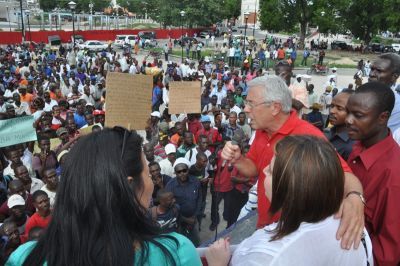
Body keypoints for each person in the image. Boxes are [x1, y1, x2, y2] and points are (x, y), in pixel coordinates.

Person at [7, 129, 201, 265]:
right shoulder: (176, 253)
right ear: (128, 185)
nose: (152, 183)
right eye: (148, 176)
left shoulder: (25, 257)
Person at [221, 75, 365, 250]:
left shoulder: (307, 136)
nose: (245, 109)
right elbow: (254, 168)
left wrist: (356, 198)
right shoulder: (262, 128)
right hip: (266, 225)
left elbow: (345, 175)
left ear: (275, 107)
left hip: (291, 237)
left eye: (251, 103)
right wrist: (238, 160)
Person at [206, 135, 373, 266]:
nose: (264, 170)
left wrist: (217, 264)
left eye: (271, 171)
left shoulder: (267, 256)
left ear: (288, 190)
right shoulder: (355, 228)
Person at [346, 82, 400, 265]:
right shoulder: (358, 146)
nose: (348, 120)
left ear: (382, 117)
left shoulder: (393, 175)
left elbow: (388, 251)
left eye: (358, 115)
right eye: (348, 112)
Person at [166, 158, 202, 247]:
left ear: (188, 170)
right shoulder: (170, 186)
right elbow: (170, 207)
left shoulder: (195, 181)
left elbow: (199, 199)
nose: (182, 173)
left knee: (195, 243)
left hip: (193, 219)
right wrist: (185, 219)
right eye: (179, 172)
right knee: (181, 243)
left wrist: (194, 217)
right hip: (178, 221)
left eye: (184, 170)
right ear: (175, 173)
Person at [368, 53, 400, 132]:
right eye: (372, 69)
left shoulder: (396, 104)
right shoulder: (361, 94)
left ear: (394, 77)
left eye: (379, 71)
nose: (371, 74)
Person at [325, 90, 354, 160]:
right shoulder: (330, 132)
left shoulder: (351, 147)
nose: (332, 111)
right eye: (332, 106)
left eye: (339, 108)